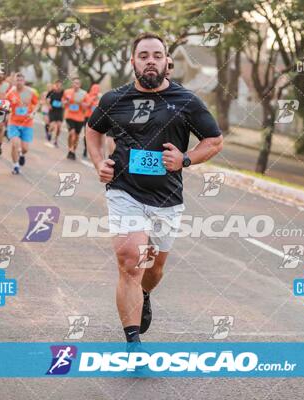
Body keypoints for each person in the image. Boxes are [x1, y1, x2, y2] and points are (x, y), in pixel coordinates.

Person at [85, 32, 223, 344]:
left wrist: (186, 159)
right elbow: (93, 131)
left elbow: (214, 141)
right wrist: (98, 163)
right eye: (144, 55)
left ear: (167, 62)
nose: (150, 61)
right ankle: (133, 343)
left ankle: (144, 293)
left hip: (167, 198)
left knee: (154, 268)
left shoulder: (186, 102)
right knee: (131, 261)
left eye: (157, 55)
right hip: (124, 191)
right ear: (132, 61)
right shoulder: (114, 100)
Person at [5, 72, 39, 175]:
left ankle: (21, 154)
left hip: (27, 124)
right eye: (17, 80)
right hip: (14, 122)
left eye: (21, 80)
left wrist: (33, 112)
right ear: (14, 81)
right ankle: (15, 166)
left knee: (25, 149)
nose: (19, 82)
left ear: (24, 81)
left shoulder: (31, 92)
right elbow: (5, 106)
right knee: (15, 144)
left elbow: (36, 104)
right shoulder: (10, 93)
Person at [62, 77, 86, 160]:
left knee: (76, 136)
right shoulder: (67, 92)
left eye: (78, 83)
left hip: (80, 118)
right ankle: (70, 149)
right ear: (72, 84)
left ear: (80, 85)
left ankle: (73, 151)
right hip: (69, 116)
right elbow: (63, 104)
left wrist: (82, 104)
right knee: (71, 133)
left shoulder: (84, 93)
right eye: (75, 83)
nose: (76, 85)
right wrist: (66, 102)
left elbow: (86, 107)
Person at [81, 83, 100, 158]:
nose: (96, 91)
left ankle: (91, 151)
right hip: (87, 117)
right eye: (95, 89)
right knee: (86, 134)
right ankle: (85, 149)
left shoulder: (100, 98)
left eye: (98, 89)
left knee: (95, 136)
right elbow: (86, 105)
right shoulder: (87, 96)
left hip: (96, 119)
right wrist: (92, 99)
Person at [45, 80, 65, 147]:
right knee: (52, 125)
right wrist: (49, 105)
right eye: (57, 85)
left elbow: (66, 100)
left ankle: (56, 140)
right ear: (55, 85)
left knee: (59, 126)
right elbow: (47, 99)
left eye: (60, 85)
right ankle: (49, 133)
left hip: (60, 111)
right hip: (52, 110)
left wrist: (64, 103)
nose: (59, 87)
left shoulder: (63, 92)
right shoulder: (52, 91)